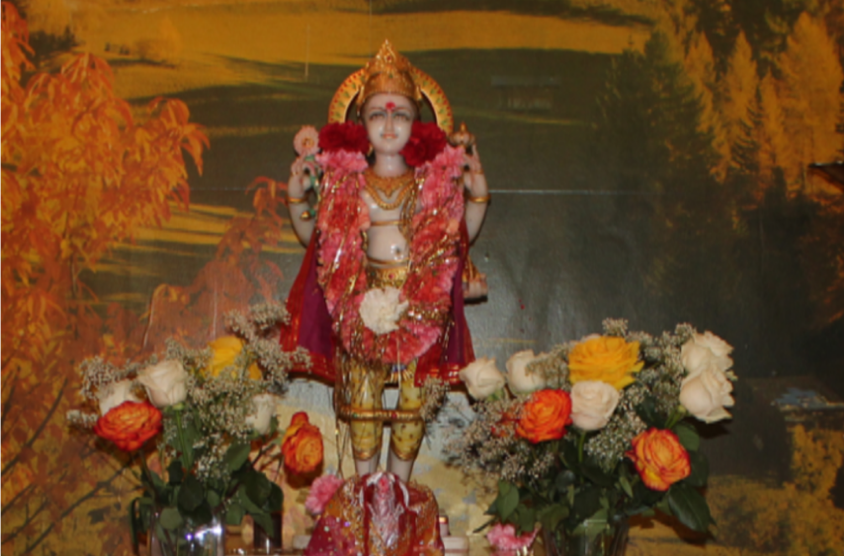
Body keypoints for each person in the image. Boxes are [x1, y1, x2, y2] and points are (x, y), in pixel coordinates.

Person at [281, 40, 488, 483]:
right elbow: (318, 240)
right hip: (360, 304)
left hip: (419, 304)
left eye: (401, 116)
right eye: (378, 114)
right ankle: (365, 488)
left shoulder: (427, 185)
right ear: (361, 122)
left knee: (414, 402)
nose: (389, 125)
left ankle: (398, 488)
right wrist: (297, 195)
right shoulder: (347, 184)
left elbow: (458, 235)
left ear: (418, 124)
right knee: (362, 401)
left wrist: (477, 191)